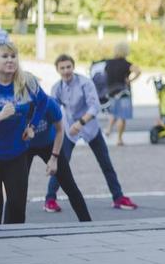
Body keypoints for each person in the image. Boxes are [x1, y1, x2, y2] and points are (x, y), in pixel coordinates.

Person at [47, 54, 137, 212]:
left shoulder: (85, 83)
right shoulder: (57, 88)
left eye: (68, 67)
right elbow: (53, 110)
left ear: (73, 67)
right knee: (61, 165)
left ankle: (118, 197)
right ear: (57, 70)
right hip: (69, 130)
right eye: (62, 68)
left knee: (106, 164)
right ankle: (50, 199)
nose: (66, 70)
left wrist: (81, 122)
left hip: (90, 127)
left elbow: (95, 107)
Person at [0, 42, 48, 224]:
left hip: (17, 153)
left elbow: (43, 103)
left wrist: (32, 126)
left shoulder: (27, 82)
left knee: (17, 207)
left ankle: (14, 247)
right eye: (5, 56)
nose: (10, 60)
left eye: (13, 56)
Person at [26, 96, 91, 222]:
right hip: (25, 146)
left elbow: (60, 130)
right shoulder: (17, 105)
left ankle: (87, 223)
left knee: (70, 186)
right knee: (17, 192)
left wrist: (54, 158)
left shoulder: (49, 103)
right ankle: (11, 228)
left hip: (49, 144)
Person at [104, 42, 141, 146]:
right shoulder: (127, 64)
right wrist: (130, 80)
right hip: (124, 92)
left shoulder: (109, 63)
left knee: (113, 112)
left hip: (111, 91)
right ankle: (119, 139)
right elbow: (138, 71)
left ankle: (108, 129)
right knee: (122, 116)